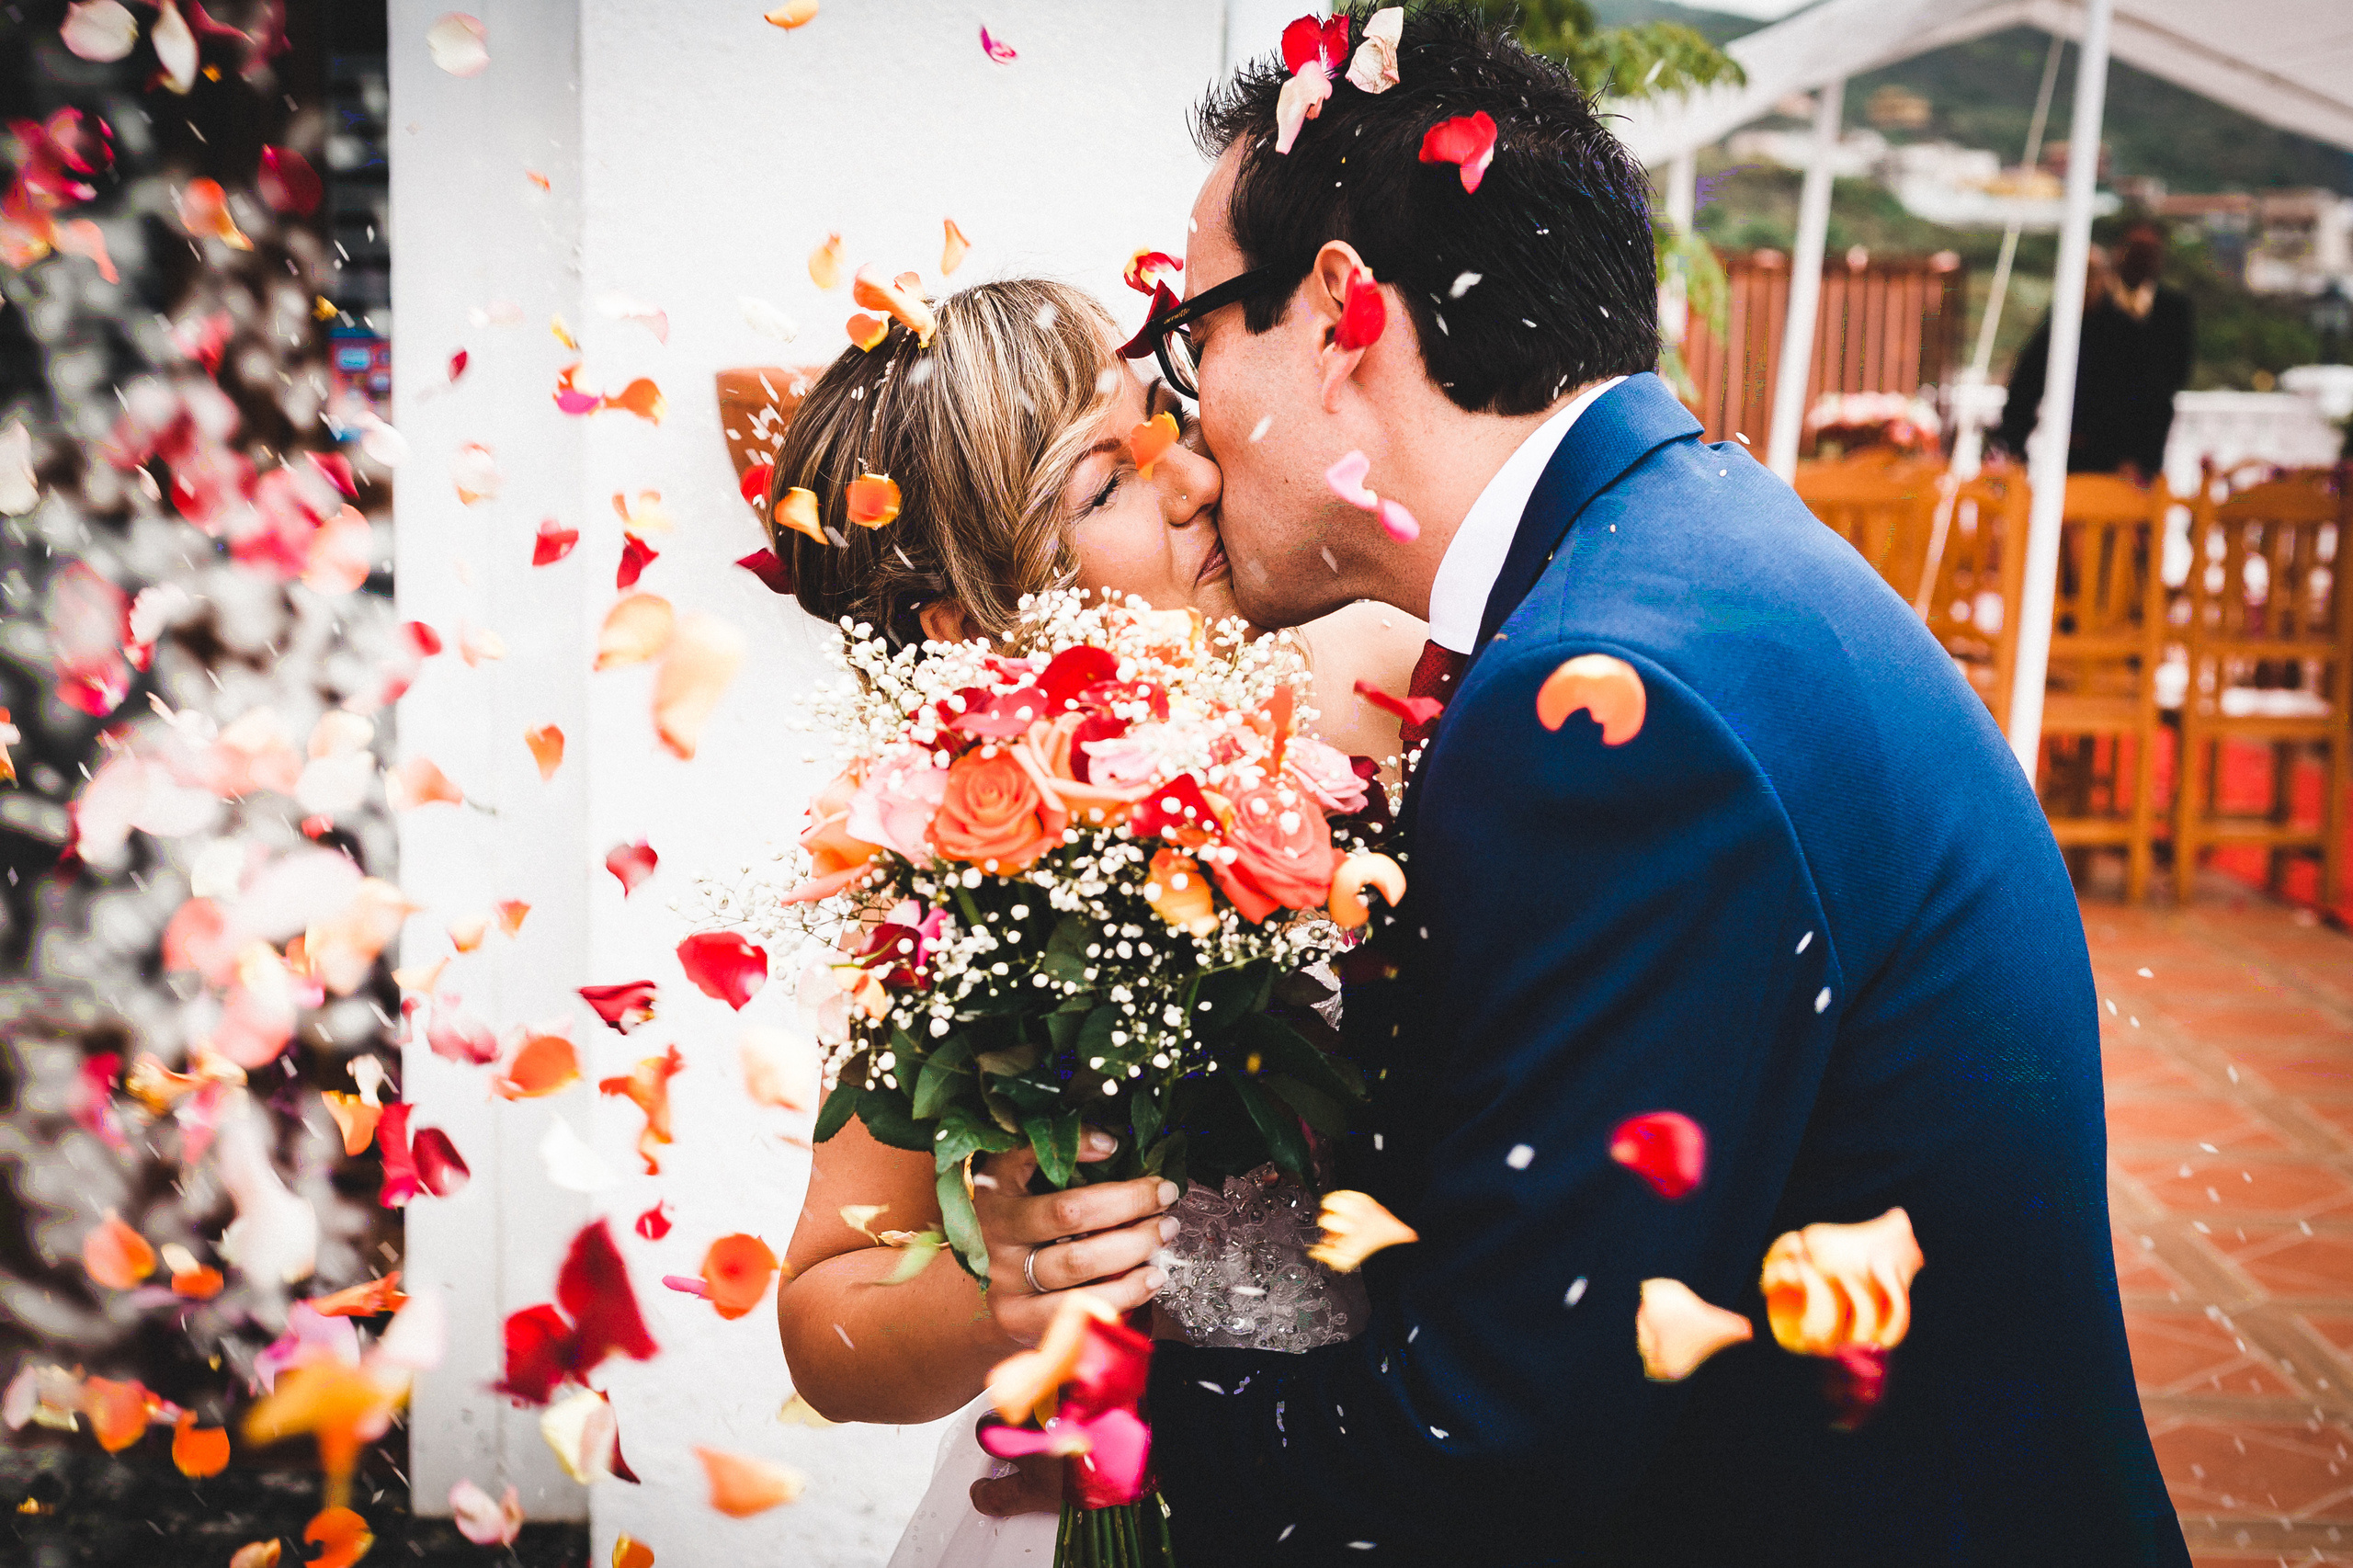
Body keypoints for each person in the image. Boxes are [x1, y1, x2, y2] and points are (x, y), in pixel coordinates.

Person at [1113, 5, 2188, 1562]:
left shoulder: (1610, 699)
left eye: (1191, 337)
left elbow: (1496, 1442)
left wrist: (1110, 1396)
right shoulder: (1676, 552)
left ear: (1344, 309)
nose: (1182, 433)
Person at [762, 277, 1421, 1563]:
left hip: (1395, 1470)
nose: (1187, 480)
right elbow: (820, 1320)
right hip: (1111, 1491)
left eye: (1161, 418)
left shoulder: (1378, 674)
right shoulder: (962, 853)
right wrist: (991, 1284)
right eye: (1107, 485)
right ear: (970, 622)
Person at [1994, 222, 2194, 482]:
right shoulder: (2067, 321)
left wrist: (2138, 461)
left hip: (2129, 465)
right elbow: (2027, 383)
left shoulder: (2146, 323)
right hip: (2075, 455)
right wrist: (2014, 445)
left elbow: (2160, 394)